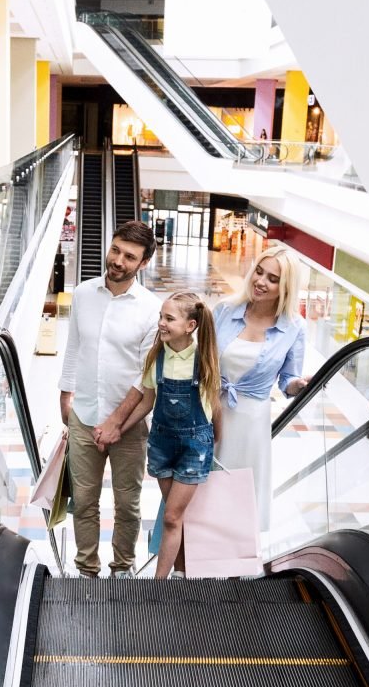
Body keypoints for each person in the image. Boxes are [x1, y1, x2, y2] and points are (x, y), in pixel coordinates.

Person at [59, 220, 160, 578]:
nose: (118, 260)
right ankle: (86, 568)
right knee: (83, 502)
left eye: (129, 256)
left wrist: (117, 423)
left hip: (129, 427)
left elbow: (146, 377)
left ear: (143, 263)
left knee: (127, 505)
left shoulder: (151, 309)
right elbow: (74, 347)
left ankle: (122, 568)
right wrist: (64, 395)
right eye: (115, 249)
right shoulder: (84, 294)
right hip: (84, 416)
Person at [119, 292, 221, 579]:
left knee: (172, 516)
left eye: (169, 318)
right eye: (161, 317)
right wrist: (119, 429)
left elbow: (215, 405)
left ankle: (158, 584)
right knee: (175, 517)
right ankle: (182, 572)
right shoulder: (157, 358)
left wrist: (217, 443)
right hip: (162, 444)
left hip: (194, 446)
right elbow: (146, 402)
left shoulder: (204, 361)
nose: (161, 323)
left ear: (190, 326)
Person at [213, 245, 308, 532]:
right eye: (259, 271)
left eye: (273, 279)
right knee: (205, 487)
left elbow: (288, 379)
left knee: (241, 492)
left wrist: (298, 385)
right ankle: (199, 560)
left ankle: (235, 566)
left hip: (251, 422)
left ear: (286, 288)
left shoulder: (294, 327)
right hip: (211, 411)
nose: (261, 281)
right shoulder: (224, 310)